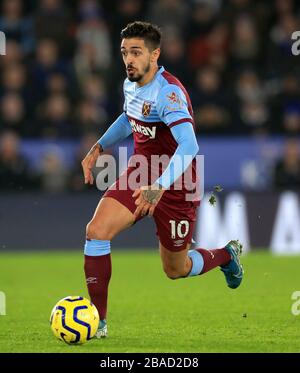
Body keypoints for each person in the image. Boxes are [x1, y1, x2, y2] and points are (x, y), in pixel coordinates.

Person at [81, 21, 244, 338]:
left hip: (178, 182)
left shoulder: (168, 93)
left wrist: (160, 186)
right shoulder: (132, 83)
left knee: (175, 269)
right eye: (124, 52)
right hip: (141, 170)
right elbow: (130, 117)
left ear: (155, 54)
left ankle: (226, 255)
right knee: (96, 231)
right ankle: (97, 323)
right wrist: (99, 146)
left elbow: (190, 145)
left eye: (136, 52)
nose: (129, 59)